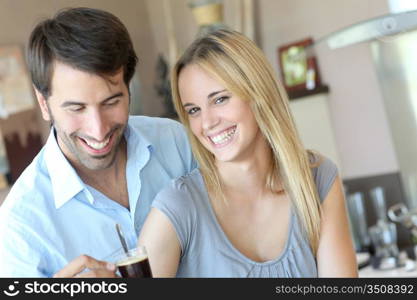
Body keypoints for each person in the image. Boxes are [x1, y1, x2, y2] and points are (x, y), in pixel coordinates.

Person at [138, 29, 358, 277]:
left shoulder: (317, 179)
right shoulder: (178, 207)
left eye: (220, 99)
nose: (207, 123)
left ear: (258, 95)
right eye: (193, 110)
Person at [0, 7, 196, 277]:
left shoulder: (177, 142)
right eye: (76, 108)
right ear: (44, 104)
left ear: (129, 89)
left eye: (111, 102)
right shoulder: (20, 226)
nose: (98, 129)